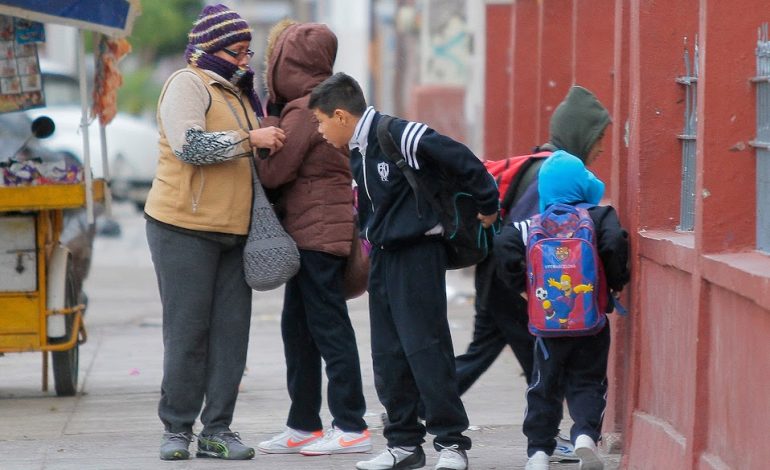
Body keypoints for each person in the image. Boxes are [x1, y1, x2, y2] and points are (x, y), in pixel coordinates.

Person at [309, 72, 499, 470]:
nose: (320, 130)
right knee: (388, 356)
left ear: (341, 115)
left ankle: (450, 445)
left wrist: (487, 205)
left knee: (426, 350)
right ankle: (404, 445)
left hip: (418, 256)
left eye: (321, 121)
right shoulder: (357, 150)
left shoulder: (399, 135)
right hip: (383, 259)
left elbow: (462, 159)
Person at [144, 4, 286, 461]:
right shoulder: (187, 84)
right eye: (237, 51)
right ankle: (178, 429)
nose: (245, 60)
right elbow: (190, 146)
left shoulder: (238, 92)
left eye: (248, 52)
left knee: (231, 334)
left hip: (234, 228)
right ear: (208, 48)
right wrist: (250, 140)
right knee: (188, 332)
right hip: (183, 227)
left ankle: (218, 429)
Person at [451, 85, 610, 461]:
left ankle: (419, 402)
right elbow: (528, 238)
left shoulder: (545, 163)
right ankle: (546, 440)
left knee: (485, 351)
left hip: (495, 276)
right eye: (600, 138)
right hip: (514, 281)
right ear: (582, 134)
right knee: (542, 364)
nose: (603, 148)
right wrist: (527, 289)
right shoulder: (555, 174)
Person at [252, 21, 371, 456]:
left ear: (290, 63)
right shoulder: (322, 103)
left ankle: (351, 423)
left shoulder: (303, 110)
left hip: (317, 235)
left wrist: (263, 130)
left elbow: (273, 172)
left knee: (327, 328)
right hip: (316, 232)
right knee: (298, 330)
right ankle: (303, 424)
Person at [492, 151, 630, 470]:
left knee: (544, 383)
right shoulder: (598, 216)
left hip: (548, 323)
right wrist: (615, 282)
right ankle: (584, 436)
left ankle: (539, 452)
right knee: (589, 380)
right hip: (590, 319)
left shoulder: (533, 225)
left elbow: (503, 245)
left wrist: (524, 287)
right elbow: (613, 243)